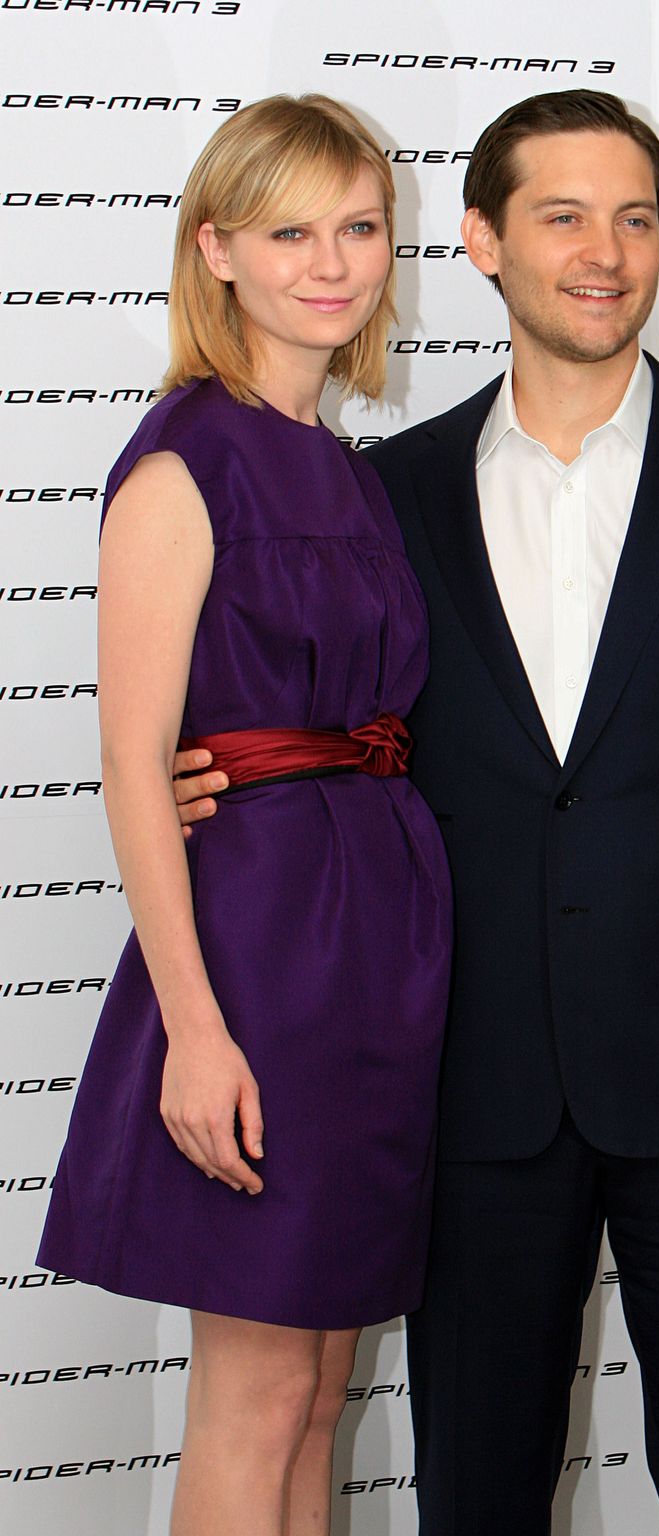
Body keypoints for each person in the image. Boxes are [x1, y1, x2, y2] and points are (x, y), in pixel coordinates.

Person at [177, 89, 659, 1534]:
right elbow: (334, 740)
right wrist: (228, 779)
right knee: (478, 1497)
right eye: (562, 216)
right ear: (486, 242)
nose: (605, 252)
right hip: (466, 1078)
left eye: (635, 217)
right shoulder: (390, 495)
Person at [36, 94, 451, 1536]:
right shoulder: (183, 460)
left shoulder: (346, 469)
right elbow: (135, 763)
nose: (330, 264)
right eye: (289, 231)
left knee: (322, 1393)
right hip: (260, 953)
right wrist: (196, 1030)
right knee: (256, 1393)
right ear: (216, 249)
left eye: (357, 227)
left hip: (377, 949)